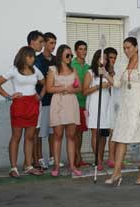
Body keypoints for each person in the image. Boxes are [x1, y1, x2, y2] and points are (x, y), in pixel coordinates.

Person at [104, 28, 140, 186]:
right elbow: (116, 84)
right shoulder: (122, 64)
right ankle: (116, 173)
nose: (126, 51)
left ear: (136, 47)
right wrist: (106, 73)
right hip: (126, 106)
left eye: (128, 48)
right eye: (124, 49)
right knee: (121, 137)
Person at [0, 46, 44, 177]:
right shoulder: (14, 70)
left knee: (30, 137)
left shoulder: (35, 70)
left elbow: (45, 83)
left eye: (33, 56)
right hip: (19, 105)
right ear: (23, 56)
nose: (33, 59)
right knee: (16, 137)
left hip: (33, 104)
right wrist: (8, 96)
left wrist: (40, 95)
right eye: (30, 56)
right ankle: (13, 168)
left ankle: (28, 166)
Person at [46, 44, 82, 176]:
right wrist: (64, 89)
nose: (70, 57)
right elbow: (49, 88)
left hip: (71, 102)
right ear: (60, 54)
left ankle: (72, 165)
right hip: (58, 103)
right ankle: (56, 166)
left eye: (71, 55)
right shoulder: (53, 69)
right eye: (67, 55)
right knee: (57, 135)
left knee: (71, 136)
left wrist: (70, 89)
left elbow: (79, 88)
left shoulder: (73, 70)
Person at [33, 32, 60, 170]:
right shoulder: (37, 59)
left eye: (55, 43)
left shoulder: (56, 59)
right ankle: (38, 158)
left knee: (53, 131)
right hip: (41, 100)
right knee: (39, 131)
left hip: (54, 100)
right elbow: (41, 79)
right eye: (51, 43)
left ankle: (52, 157)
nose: (53, 46)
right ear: (44, 43)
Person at [83, 50, 111, 171]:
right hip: (95, 104)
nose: (103, 61)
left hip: (106, 104)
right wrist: (98, 86)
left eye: (105, 59)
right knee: (95, 132)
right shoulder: (90, 73)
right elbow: (84, 91)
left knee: (104, 133)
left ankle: (101, 157)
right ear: (96, 59)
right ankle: (97, 159)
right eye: (101, 58)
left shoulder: (107, 73)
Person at [72, 40, 90, 168]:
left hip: (85, 103)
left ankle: (78, 157)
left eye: (85, 49)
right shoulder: (71, 64)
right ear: (75, 51)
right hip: (74, 102)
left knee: (81, 132)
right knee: (74, 133)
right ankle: (75, 158)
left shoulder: (88, 67)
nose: (83, 51)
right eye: (80, 49)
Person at [104, 47, 119, 168]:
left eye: (115, 58)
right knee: (112, 132)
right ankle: (111, 158)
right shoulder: (103, 71)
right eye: (111, 57)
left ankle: (118, 157)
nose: (113, 60)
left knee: (118, 132)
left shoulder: (118, 70)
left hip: (118, 104)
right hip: (107, 104)